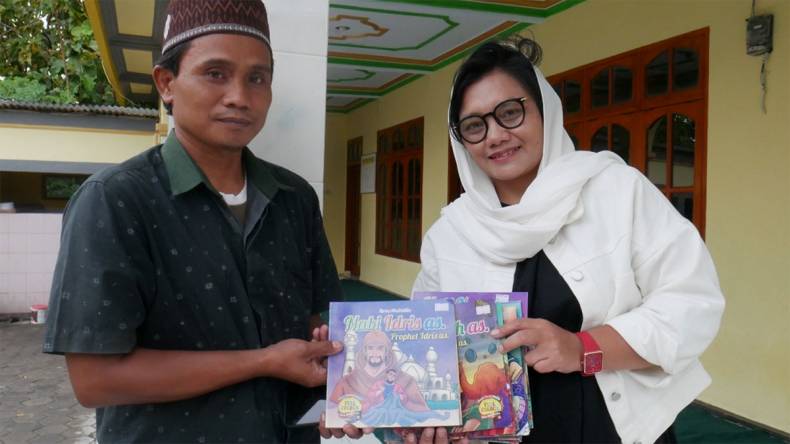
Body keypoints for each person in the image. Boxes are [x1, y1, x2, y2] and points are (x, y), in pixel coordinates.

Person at [42, 1, 352, 442]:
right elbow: (95, 379)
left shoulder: (294, 197)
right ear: (166, 83)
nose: (239, 97)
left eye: (257, 78)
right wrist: (264, 361)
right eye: (215, 73)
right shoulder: (115, 200)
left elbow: (317, 324)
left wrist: (340, 389)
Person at [412, 38, 725, 444]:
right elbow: (427, 343)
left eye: (510, 113)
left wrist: (581, 348)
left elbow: (692, 303)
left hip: (612, 429)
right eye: (474, 125)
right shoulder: (450, 234)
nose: (495, 135)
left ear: (545, 110)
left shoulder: (617, 192)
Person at [329, 331, 435, 421]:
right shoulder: (347, 381)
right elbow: (332, 413)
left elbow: (423, 411)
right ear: (365, 351)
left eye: (380, 348)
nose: (375, 353)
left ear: (386, 352)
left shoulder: (405, 380)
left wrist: (398, 401)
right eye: (370, 348)